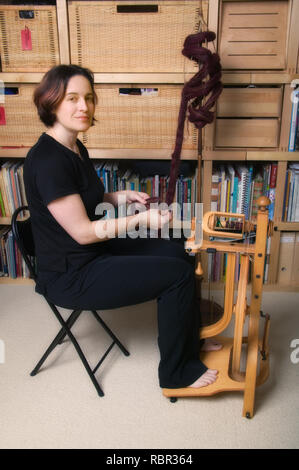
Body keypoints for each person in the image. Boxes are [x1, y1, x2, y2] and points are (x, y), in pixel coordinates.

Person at [23, 64, 220, 390]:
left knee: (178, 245)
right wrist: (141, 219)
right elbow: (83, 231)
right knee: (177, 276)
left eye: (88, 97)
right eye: (72, 98)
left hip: (92, 251)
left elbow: (87, 198)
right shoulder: (47, 161)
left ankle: (190, 342)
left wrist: (119, 195)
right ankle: (176, 372)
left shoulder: (73, 146)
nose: (83, 106)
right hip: (72, 274)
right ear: (51, 102)